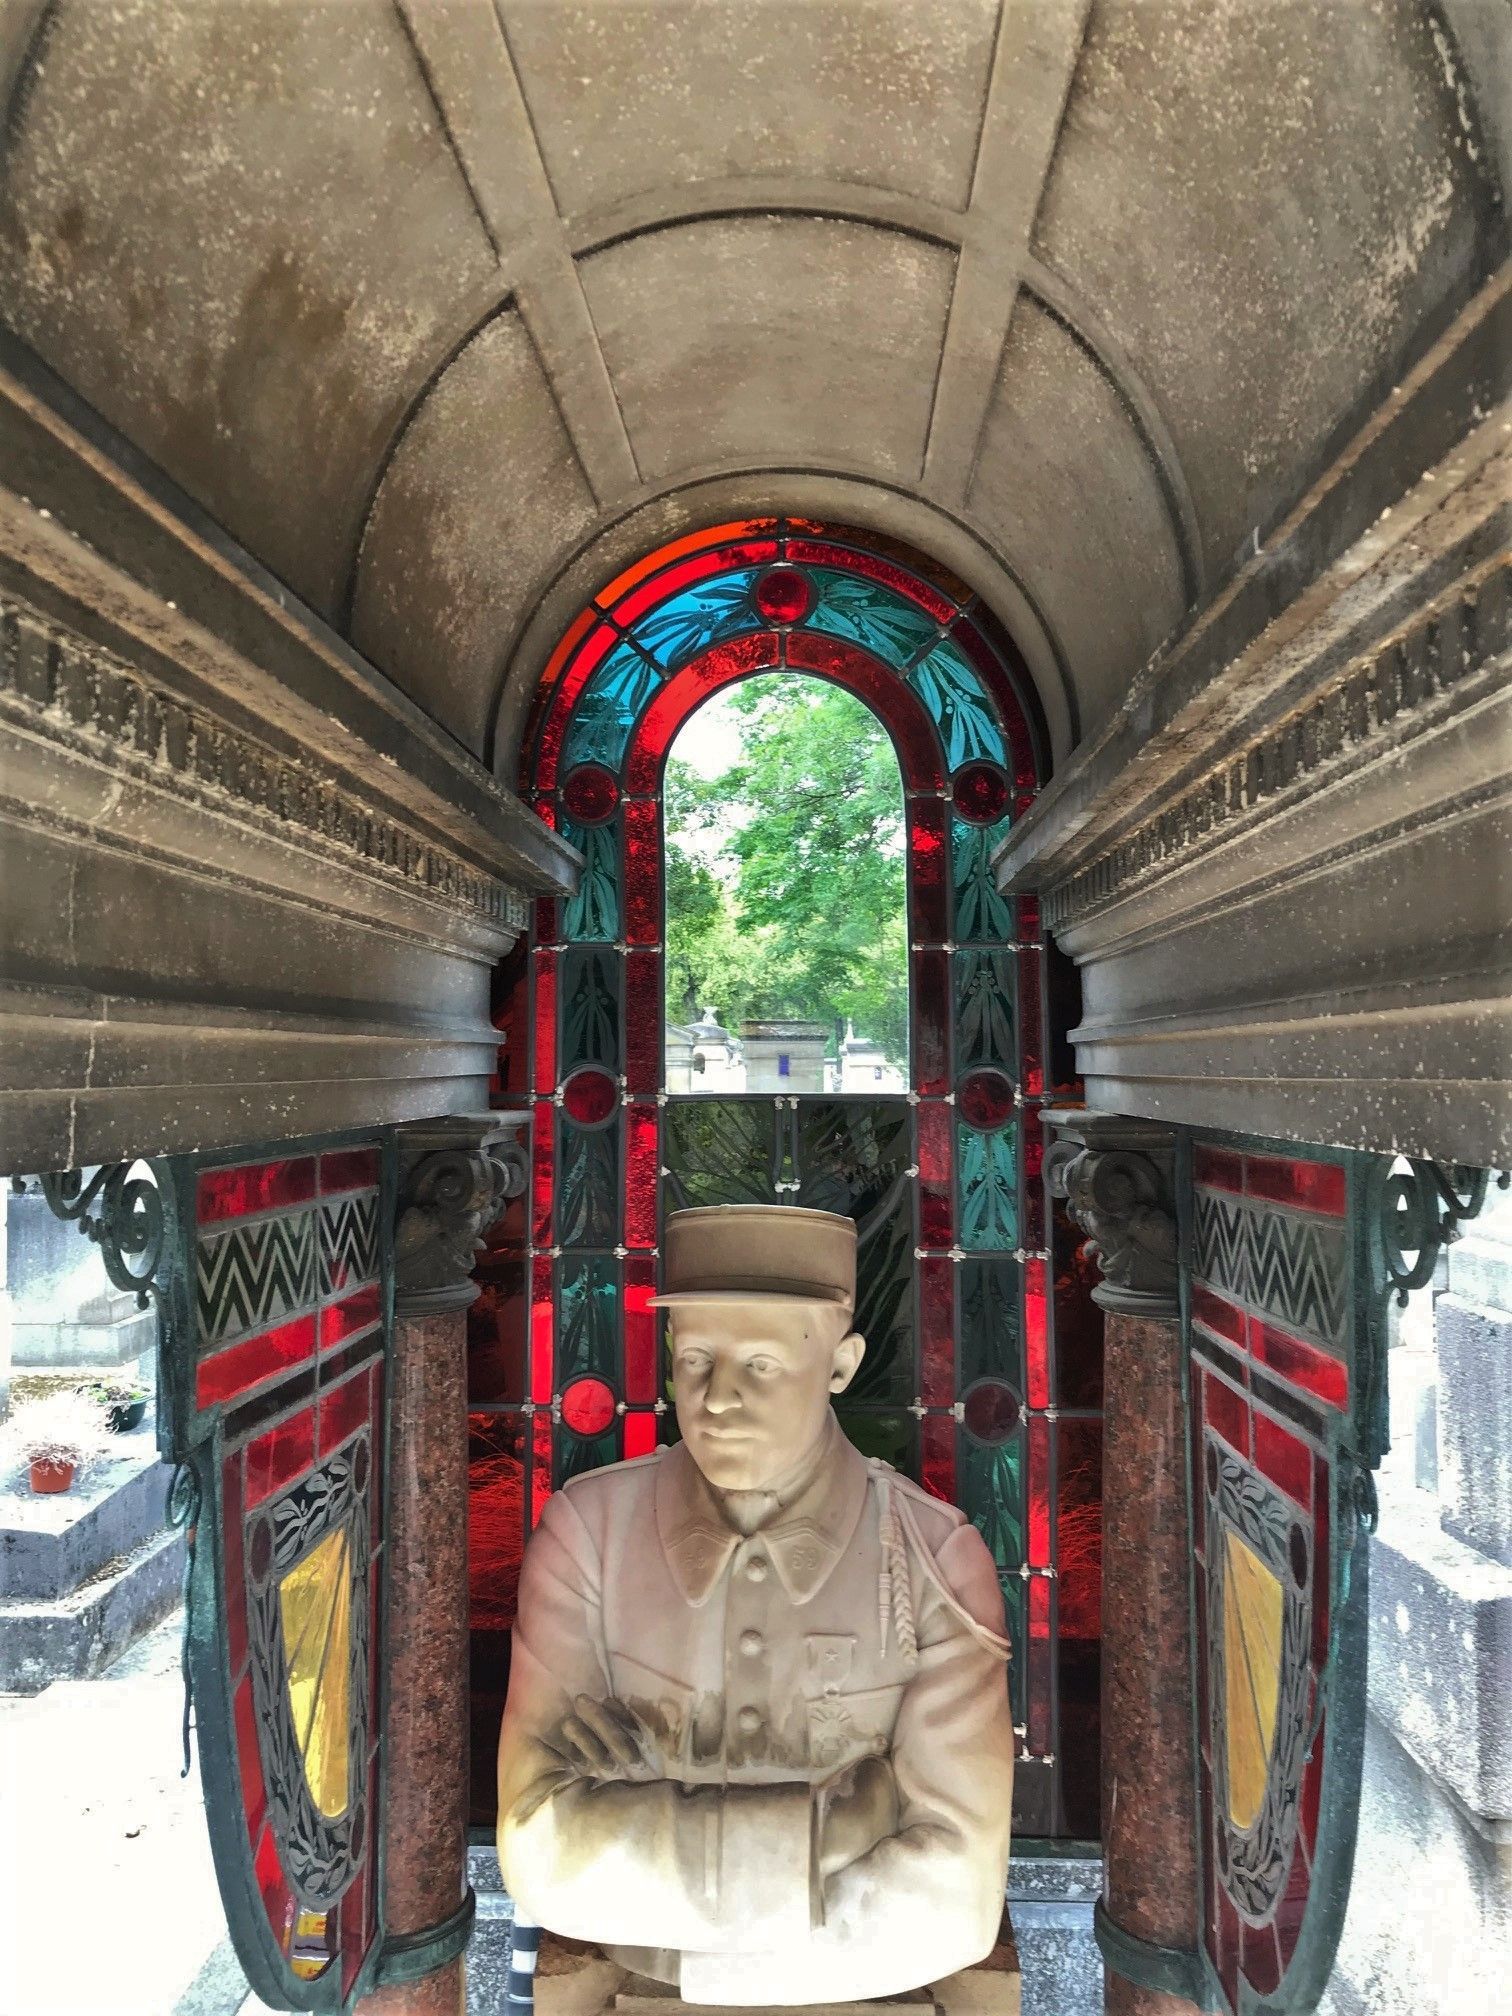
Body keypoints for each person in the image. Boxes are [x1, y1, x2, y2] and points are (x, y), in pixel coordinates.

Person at [496, 1204, 1015, 2006]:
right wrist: (835, 1830)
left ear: (840, 1367)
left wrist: (642, 1833)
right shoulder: (588, 1538)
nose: (718, 1398)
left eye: (762, 1365)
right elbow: (540, 1856)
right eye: (696, 1358)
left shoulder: (932, 1561)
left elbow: (954, 1906)